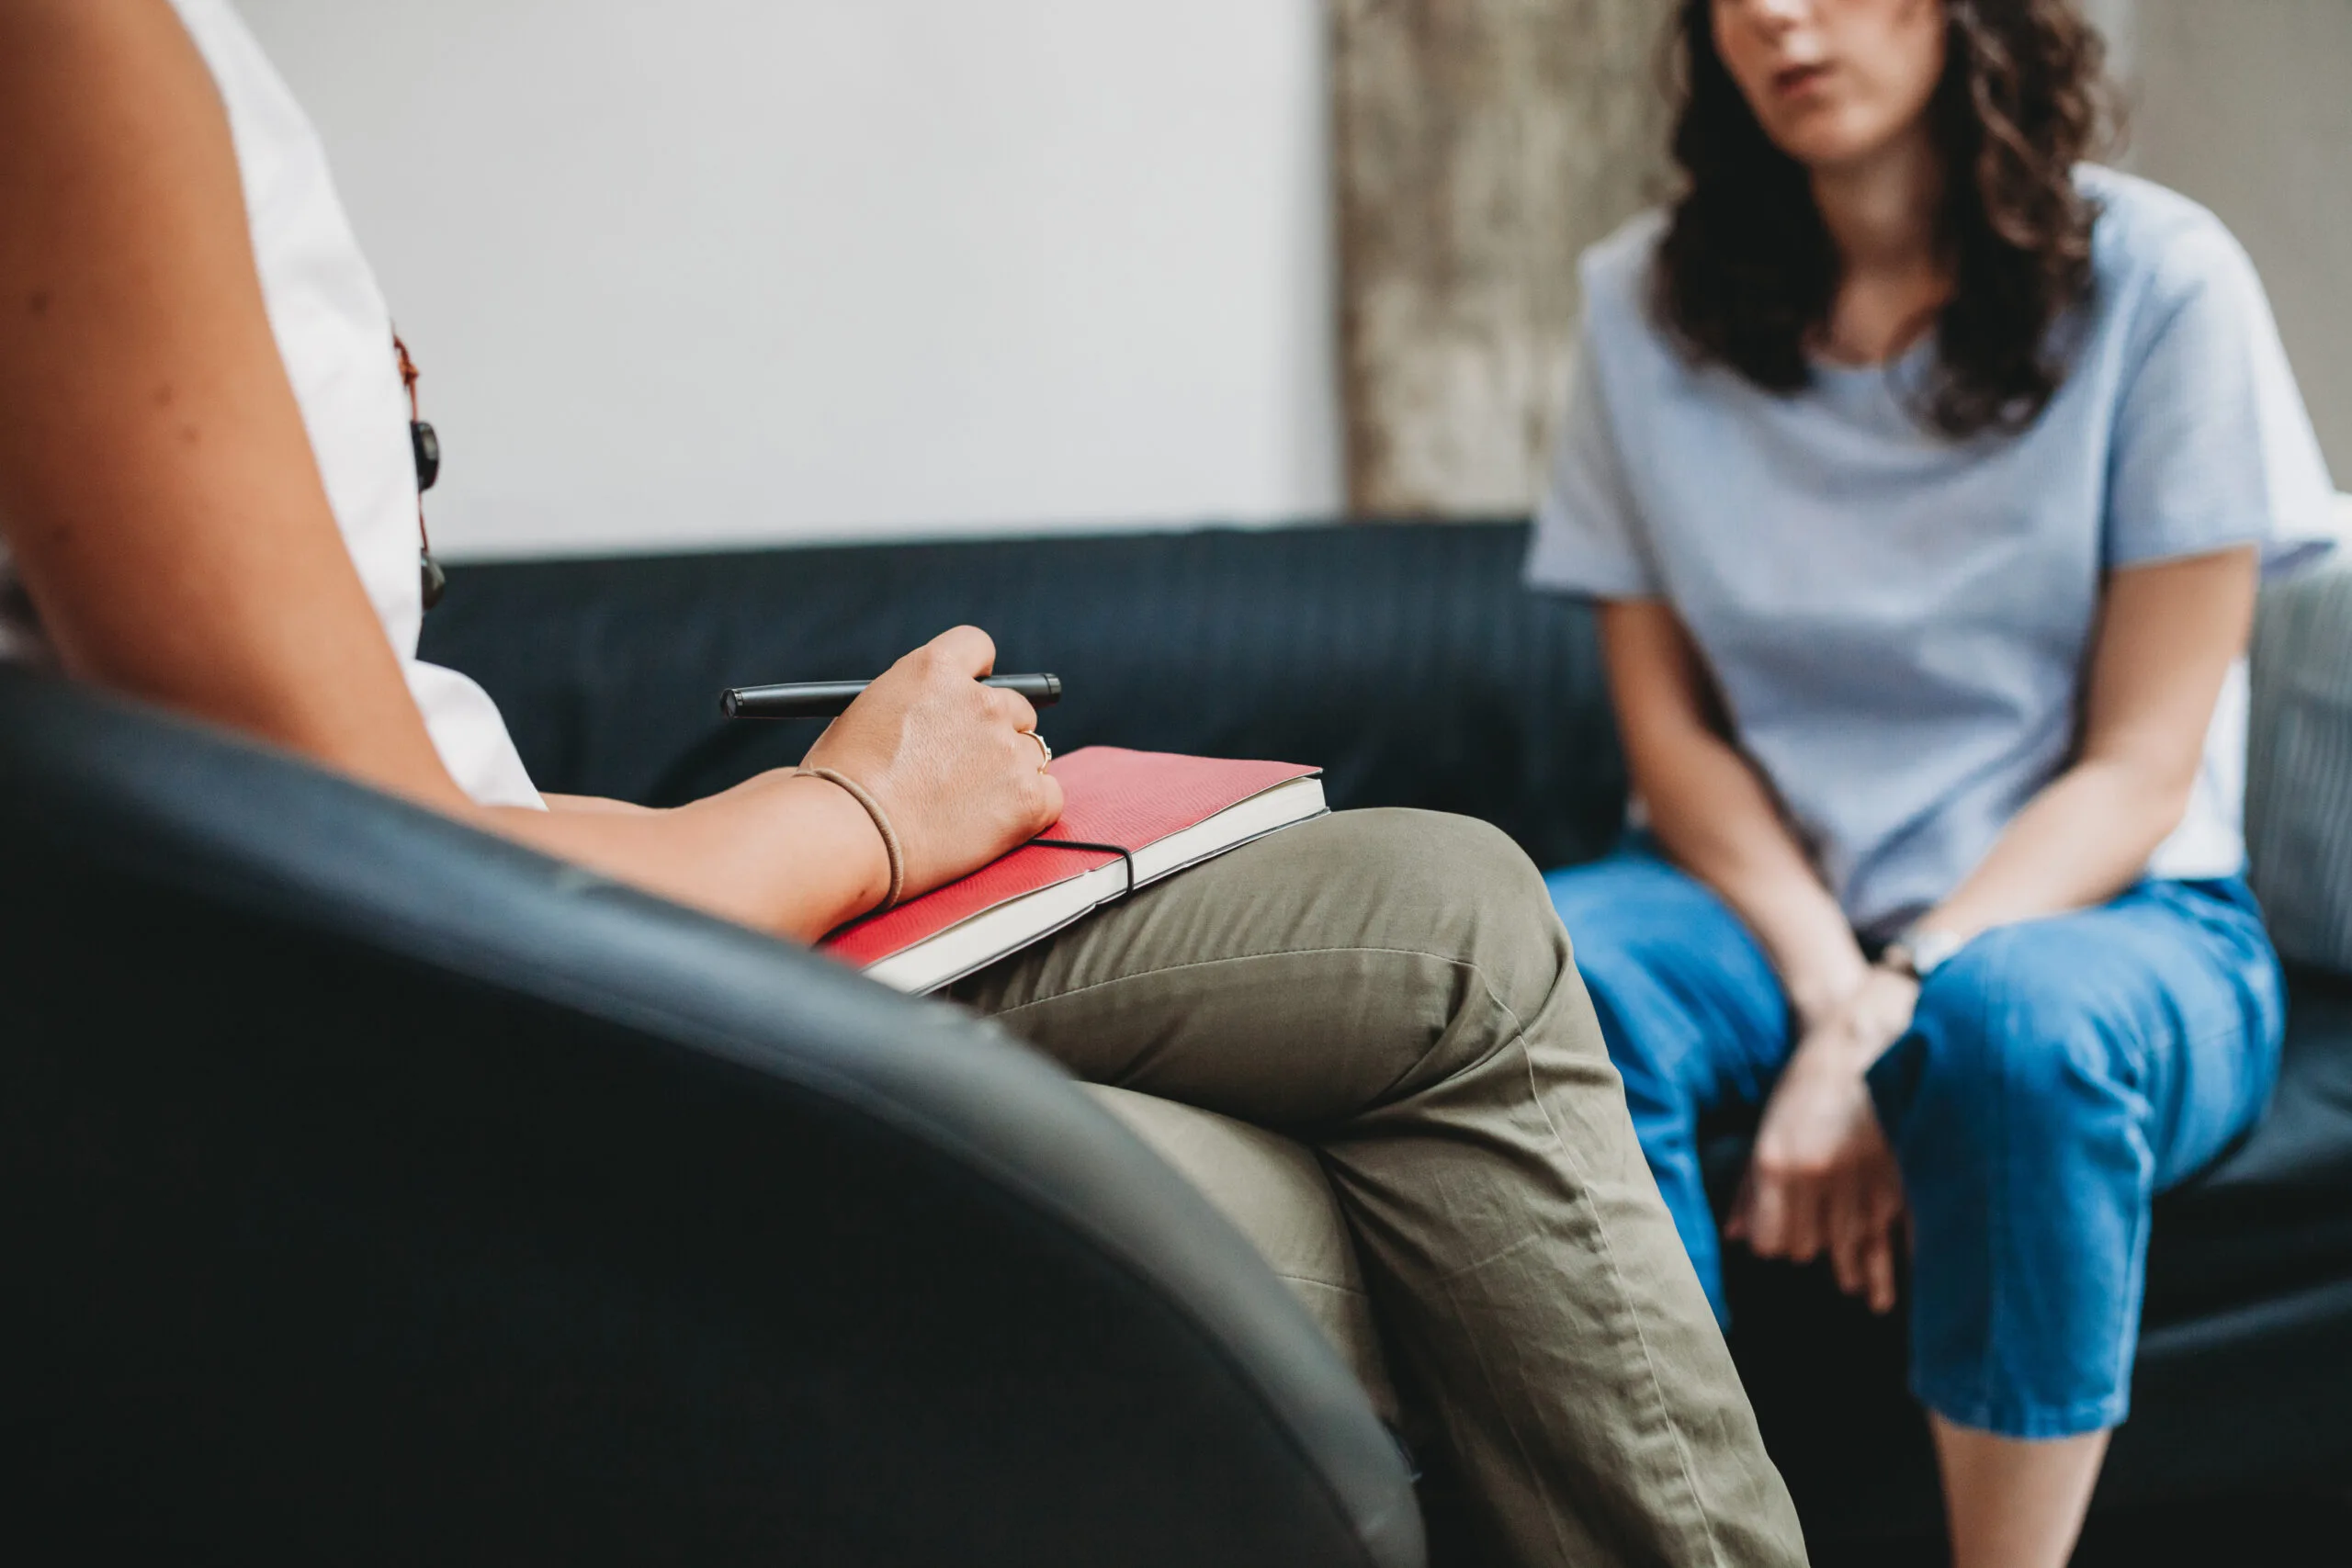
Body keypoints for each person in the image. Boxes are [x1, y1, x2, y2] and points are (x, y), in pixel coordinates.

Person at [0, 3, 1812, 1562]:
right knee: (1329, 1220)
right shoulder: (69, 49)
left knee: (1442, 907)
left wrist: (816, 809)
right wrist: (855, 816)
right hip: (474, 1047)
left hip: (532, 912)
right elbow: (362, 879)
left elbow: (395, 772)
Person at [1529, 1, 2339, 1564]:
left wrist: (1905, 985)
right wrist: (1837, 994)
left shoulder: (2166, 286)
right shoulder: (1640, 303)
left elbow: (2141, 764)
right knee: (1536, 978)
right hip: (1750, 908)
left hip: (2114, 905)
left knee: (2014, 1031)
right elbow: (1673, 741)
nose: (1777, 12)